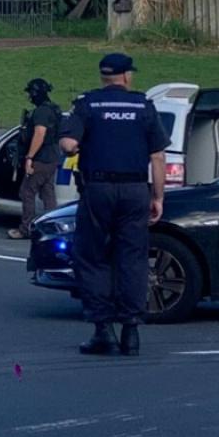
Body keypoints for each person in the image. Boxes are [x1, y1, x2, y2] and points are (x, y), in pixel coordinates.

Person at [59, 54, 169, 357]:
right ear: (126, 76)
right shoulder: (143, 105)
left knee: (93, 257)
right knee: (132, 258)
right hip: (135, 191)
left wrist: (73, 144)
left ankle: (103, 331)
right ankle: (131, 331)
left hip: (98, 189)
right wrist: (157, 197)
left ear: (103, 76)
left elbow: (68, 143)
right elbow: (158, 156)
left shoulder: (88, 103)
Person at [8, 78, 62, 240]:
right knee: (48, 194)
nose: (29, 97)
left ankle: (26, 229)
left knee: (27, 192)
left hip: (41, 159)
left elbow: (39, 133)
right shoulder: (53, 110)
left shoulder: (41, 112)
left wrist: (29, 157)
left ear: (35, 93)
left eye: (30, 93)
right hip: (52, 158)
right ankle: (53, 227)